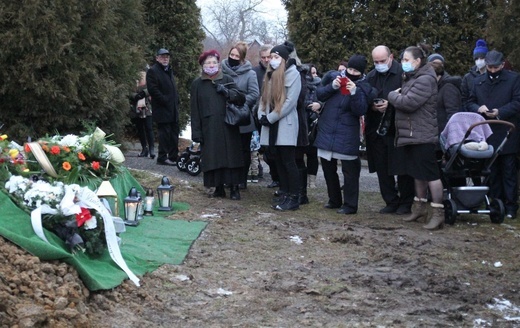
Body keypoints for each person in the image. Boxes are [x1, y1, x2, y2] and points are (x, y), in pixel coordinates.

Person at [387, 44, 444, 230]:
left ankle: (438, 212)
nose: (403, 63)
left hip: (422, 135)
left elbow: (409, 103)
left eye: (406, 60)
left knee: (431, 175)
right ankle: (419, 208)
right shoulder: (413, 78)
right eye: (402, 60)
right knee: (417, 174)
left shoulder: (425, 79)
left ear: (418, 61)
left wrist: (391, 96)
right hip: (412, 134)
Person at [467, 50, 520, 219]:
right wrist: (478, 109)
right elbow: (469, 101)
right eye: (489, 67)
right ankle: (496, 204)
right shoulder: (478, 81)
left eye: (495, 67)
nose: (492, 70)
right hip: (487, 131)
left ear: (502, 65)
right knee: (492, 171)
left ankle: (511, 206)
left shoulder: (513, 79)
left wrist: (500, 112)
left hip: (507, 131)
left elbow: (517, 102)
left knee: (509, 171)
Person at [314, 55, 370, 215]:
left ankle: (350, 205)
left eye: (355, 71)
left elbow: (360, 110)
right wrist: (332, 86)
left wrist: (354, 92)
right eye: (350, 69)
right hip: (327, 130)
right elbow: (320, 94)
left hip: (347, 134)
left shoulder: (363, 87)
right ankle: (334, 199)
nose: (351, 73)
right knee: (327, 169)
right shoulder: (334, 77)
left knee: (350, 172)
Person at [190, 49, 246, 200]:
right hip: (209, 127)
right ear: (202, 65)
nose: (211, 65)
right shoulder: (197, 84)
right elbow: (194, 109)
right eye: (208, 62)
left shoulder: (227, 79)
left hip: (228, 125)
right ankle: (218, 187)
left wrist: (227, 92)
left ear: (218, 64)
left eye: (214, 62)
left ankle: (234, 188)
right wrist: (196, 132)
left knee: (231, 157)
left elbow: (241, 98)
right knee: (213, 158)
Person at [365, 45, 415, 215]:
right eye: (376, 61)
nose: (379, 64)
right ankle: (390, 200)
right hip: (377, 128)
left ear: (391, 57)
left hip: (398, 127)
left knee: (402, 167)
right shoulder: (371, 76)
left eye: (382, 61)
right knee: (382, 167)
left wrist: (391, 104)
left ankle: (406, 201)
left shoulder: (404, 74)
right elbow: (365, 99)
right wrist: (372, 106)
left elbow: (410, 98)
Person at [258, 43, 302, 211]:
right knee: (278, 161)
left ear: (284, 59)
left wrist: (272, 117)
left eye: (277, 57)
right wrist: (261, 115)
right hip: (270, 124)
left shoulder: (293, 74)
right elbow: (263, 98)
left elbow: (291, 102)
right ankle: (284, 192)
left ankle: (294, 197)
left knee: (288, 162)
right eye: (272, 57)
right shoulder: (270, 75)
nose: (273, 60)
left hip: (284, 124)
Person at [221, 41, 260, 190]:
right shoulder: (222, 70)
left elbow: (254, 94)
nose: (233, 57)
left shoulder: (250, 74)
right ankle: (226, 178)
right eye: (232, 54)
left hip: (242, 117)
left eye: (237, 55)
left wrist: (239, 101)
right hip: (225, 115)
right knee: (227, 148)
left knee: (243, 150)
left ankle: (241, 179)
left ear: (242, 57)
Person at [146, 48, 180, 166]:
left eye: (167, 57)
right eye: (162, 56)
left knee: (174, 132)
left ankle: (173, 156)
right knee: (164, 134)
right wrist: (165, 100)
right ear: (157, 58)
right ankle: (162, 157)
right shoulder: (153, 71)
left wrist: (175, 101)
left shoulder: (168, 70)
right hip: (162, 109)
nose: (165, 58)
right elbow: (153, 90)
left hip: (172, 108)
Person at [253, 44, 280, 189]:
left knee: (274, 149)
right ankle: (261, 170)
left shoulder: (278, 71)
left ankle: (277, 177)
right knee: (263, 149)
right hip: (259, 113)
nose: (266, 60)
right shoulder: (255, 72)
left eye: (268, 57)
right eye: (263, 57)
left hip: (275, 114)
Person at [304, 64, 322, 189]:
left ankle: (312, 180)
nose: (313, 75)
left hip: (315, 124)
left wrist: (319, 105)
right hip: (302, 122)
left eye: (315, 73)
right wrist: (308, 105)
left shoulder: (321, 87)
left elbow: (325, 100)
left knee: (312, 154)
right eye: (311, 73)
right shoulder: (302, 86)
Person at [131, 70, 155, 159]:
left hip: (147, 109)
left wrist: (144, 93)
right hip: (137, 109)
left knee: (149, 128)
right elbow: (130, 92)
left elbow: (152, 89)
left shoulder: (149, 81)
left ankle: (152, 149)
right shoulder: (133, 82)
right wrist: (135, 96)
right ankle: (144, 148)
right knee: (140, 129)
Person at [461, 39, 489, 110]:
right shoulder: (468, 77)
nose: (479, 61)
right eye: (476, 59)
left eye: (482, 58)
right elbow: (464, 99)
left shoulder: (492, 75)